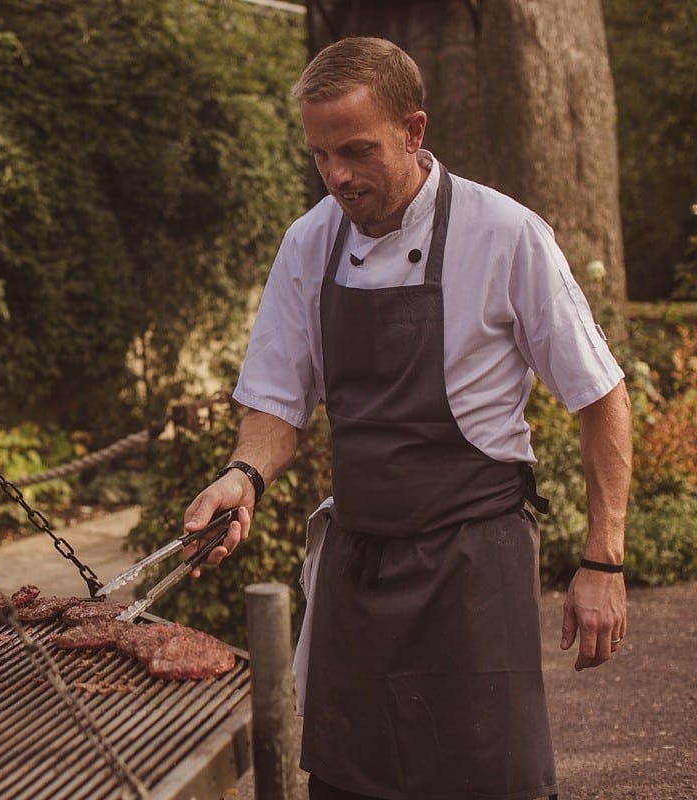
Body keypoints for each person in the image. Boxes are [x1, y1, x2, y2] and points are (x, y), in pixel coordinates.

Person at [183, 37, 631, 800]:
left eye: (356, 150)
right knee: (353, 782)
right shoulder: (308, 242)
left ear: (414, 131)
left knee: (490, 779)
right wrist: (243, 474)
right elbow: (278, 403)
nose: (337, 176)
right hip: (360, 562)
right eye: (320, 155)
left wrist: (603, 560)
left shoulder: (506, 234)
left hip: (474, 564)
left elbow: (601, 398)